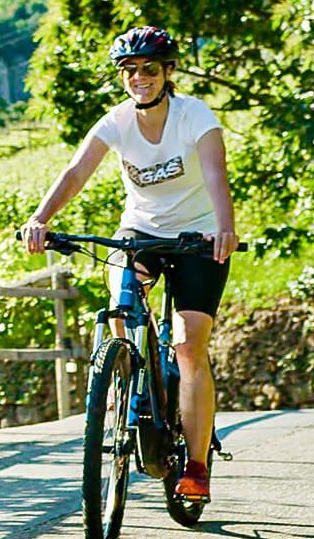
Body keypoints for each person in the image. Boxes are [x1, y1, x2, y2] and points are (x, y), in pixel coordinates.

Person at [18, 25, 239, 501]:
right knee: (120, 304)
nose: (140, 78)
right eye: (131, 71)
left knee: (188, 346)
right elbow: (76, 171)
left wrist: (224, 227)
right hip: (140, 234)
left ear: (167, 72)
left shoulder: (193, 115)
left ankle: (196, 465)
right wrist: (40, 218)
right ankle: (123, 374)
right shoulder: (116, 121)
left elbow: (217, 173)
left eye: (149, 70)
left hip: (197, 238)